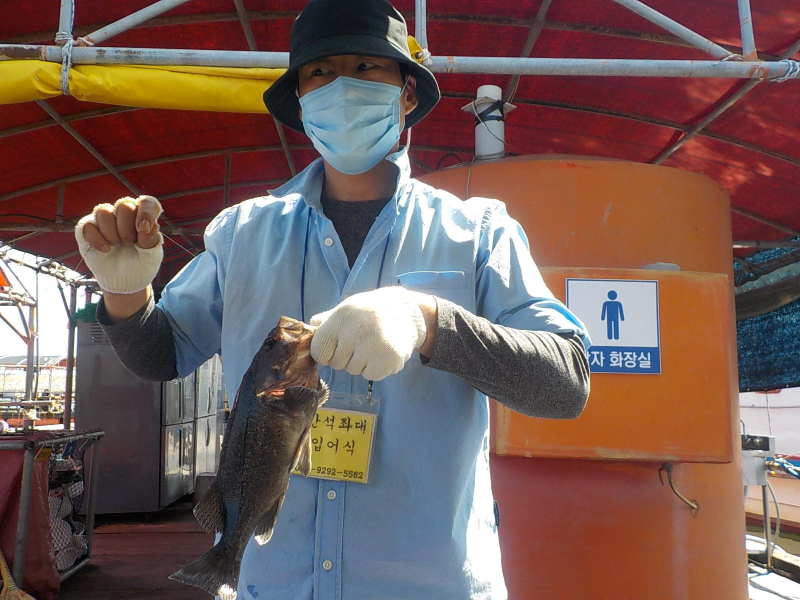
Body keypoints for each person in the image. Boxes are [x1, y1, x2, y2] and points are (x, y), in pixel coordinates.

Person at [74, 1, 591, 598]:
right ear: (300, 103)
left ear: (406, 95)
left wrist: (428, 320)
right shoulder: (241, 232)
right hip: (273, 585)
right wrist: (126, 294)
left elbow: (566, 383)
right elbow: (161, 354)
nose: (343, 87)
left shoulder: (478, 233)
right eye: (320, 72)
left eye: (367, 67)